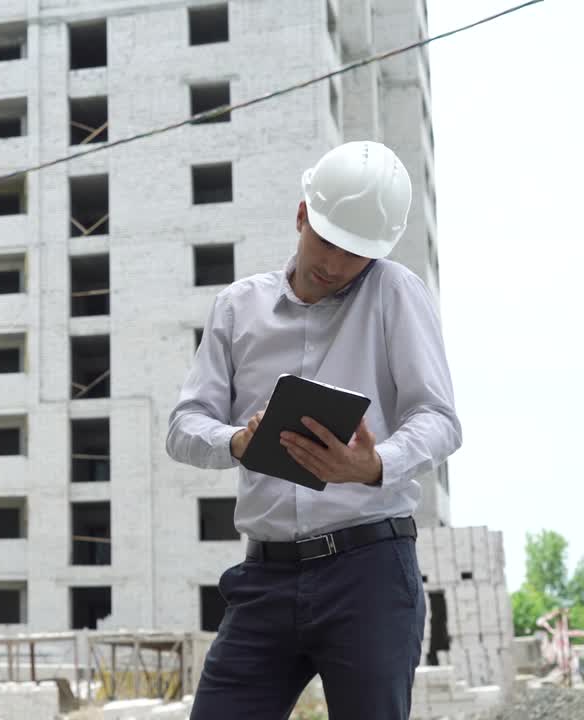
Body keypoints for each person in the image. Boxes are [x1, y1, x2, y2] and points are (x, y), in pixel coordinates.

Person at [166, 140, 462, 719]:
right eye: (325, 240)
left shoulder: (395, 293)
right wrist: (236, 442)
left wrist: (374, 464)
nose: (334, 263)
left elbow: (440, 419)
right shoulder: (236, 308)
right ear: (302, 214)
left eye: (355, 254)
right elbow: (183, 426)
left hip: (370, 573)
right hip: (265, 576)